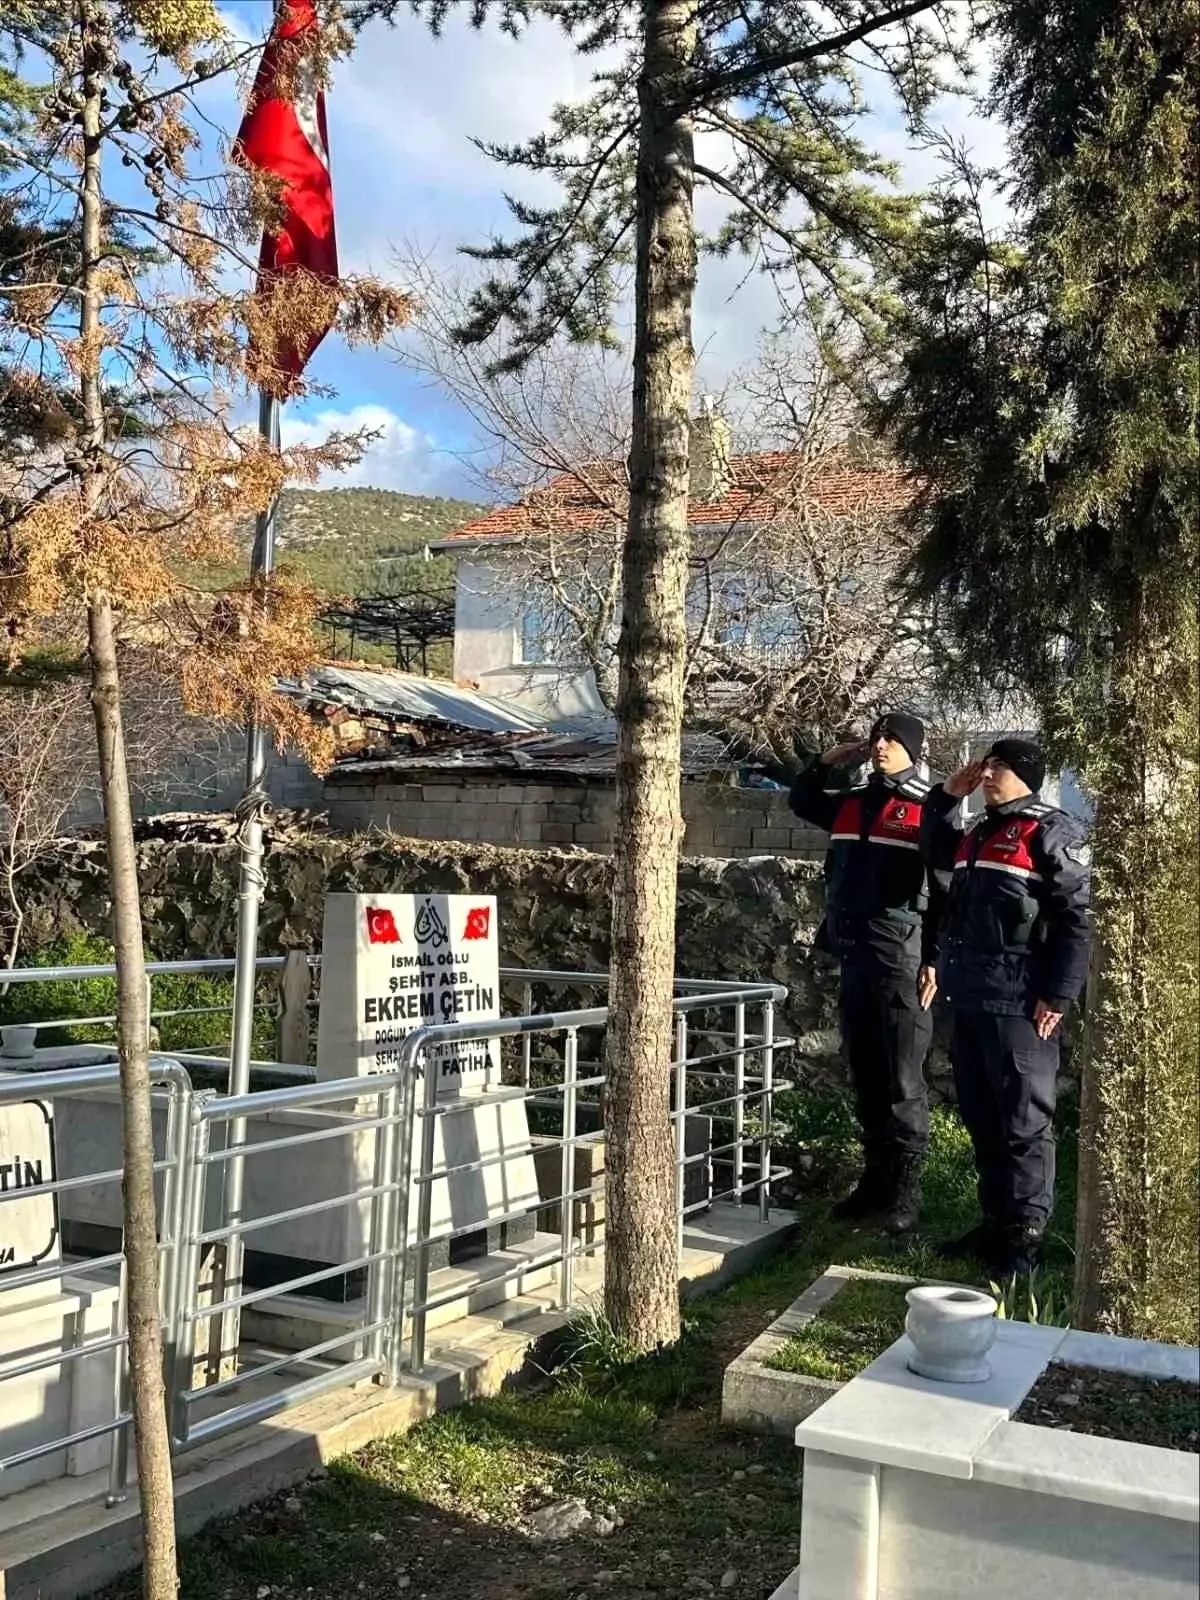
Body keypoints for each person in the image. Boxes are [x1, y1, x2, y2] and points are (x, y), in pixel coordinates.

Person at [921, 737, 1092, 1276]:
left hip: (1021, 1001)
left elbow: (1075, 917)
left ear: (1025, 776)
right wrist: (946, 797)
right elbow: (934, 851)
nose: (987, 773)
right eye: (987, 764)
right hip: (970, 996)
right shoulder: (977, 830)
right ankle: (996, 1222)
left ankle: (1026, 1236)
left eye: (998, 766)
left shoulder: (1051, 831)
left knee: (1023, 1120)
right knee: (983, 1115)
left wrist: (1058, 994)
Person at [789, 711, 938, 1235]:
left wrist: (935, 959)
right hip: (855, 954)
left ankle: (905, 1194)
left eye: (893, 740)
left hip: (902, 959)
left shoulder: (926, 812)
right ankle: (873, 1184)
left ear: (914, 751)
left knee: (901, 1079)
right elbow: (802, 800)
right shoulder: (850, 803)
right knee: (867, 1075)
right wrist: (826, 761)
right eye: (877, 737)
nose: (881, 745)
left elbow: (946, 893)